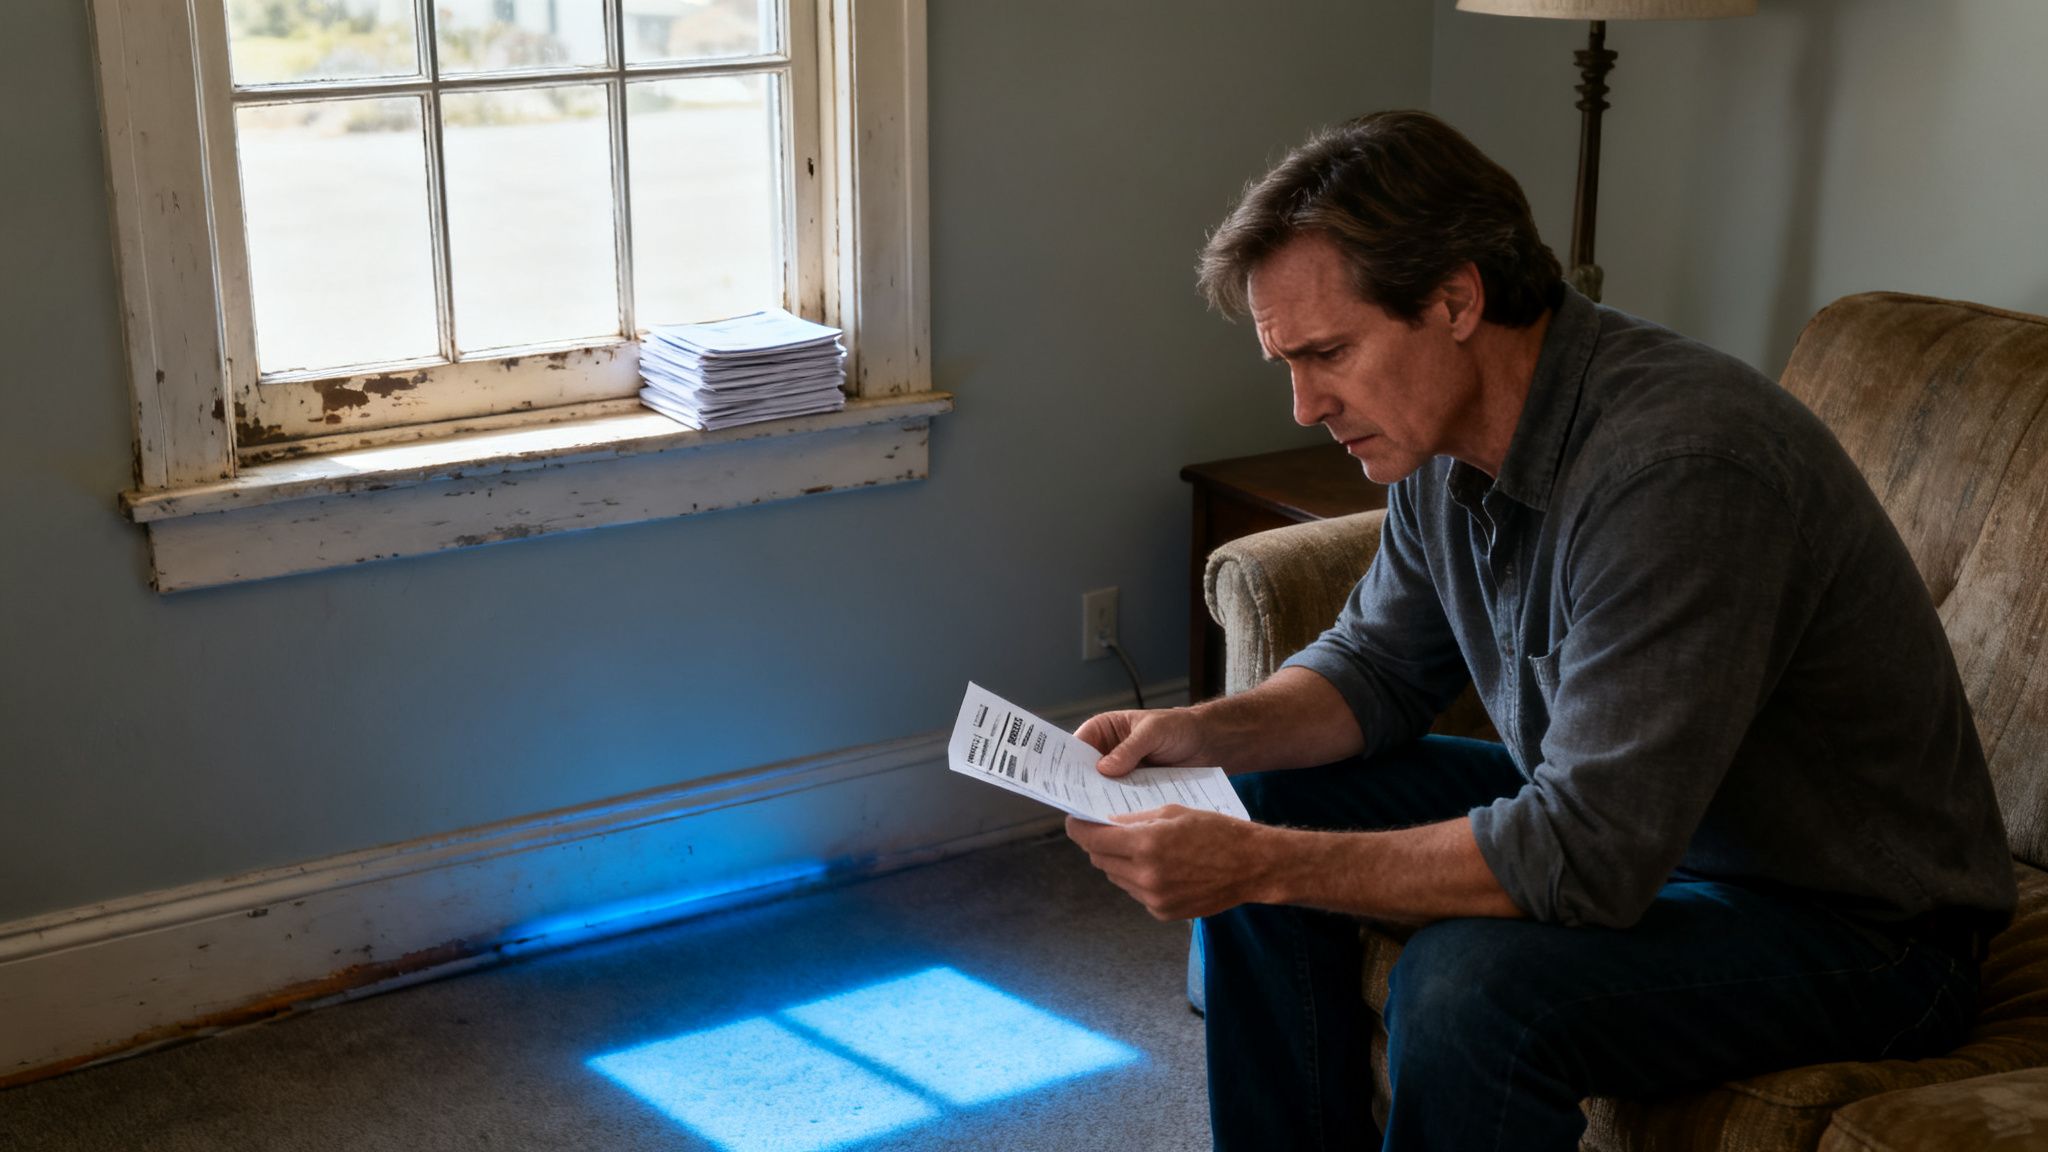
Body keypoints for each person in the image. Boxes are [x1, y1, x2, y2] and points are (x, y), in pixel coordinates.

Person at [1064, 109, 2016, 1152]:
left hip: (1853, 925)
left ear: (1455, 298)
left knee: (1467, 990)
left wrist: (1257, 867)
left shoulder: (1680, 470)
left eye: (1328, 352)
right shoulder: (1436, 443)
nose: (1301, 406)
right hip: (1652, 832)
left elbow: (1584, 857)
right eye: (1285, 362)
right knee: (1256, 794)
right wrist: (1203, 733)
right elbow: (1375, 669)